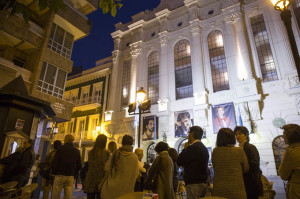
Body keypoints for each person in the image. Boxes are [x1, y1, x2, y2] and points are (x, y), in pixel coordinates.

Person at [212, 128, 249, 199]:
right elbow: (246, 169)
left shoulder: (215, 151)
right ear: (232, 138)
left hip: (219, 190)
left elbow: (215, 167)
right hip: (237, 189)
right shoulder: (239, 151)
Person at [177, 126, 209, 199]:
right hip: (202, 183)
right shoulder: (204, 148)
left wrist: (185, 149)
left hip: (194, 184)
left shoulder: (193, 148)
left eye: (189, 133)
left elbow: (179, 161)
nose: (188, 136)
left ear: (192, 134)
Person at [234, 126, 263, 199]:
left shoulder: (251, 147)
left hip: (251, 183)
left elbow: (255, 164)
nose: (237, 136)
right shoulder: (238, 149)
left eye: (240, 134)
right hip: (243, 183)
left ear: (246, 135)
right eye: (236, 134)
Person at [51, 135, 81, 199]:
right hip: (70, 175)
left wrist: (54, 172)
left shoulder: (60, 149)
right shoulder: (77, 151)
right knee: (68, 195)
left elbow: (55, 162)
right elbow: (79, 165)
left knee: (56, 194)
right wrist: (74, 173)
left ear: (65, 140)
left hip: (59, 174)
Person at [84, 134, 110, 199]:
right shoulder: (107, 153)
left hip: (91, 179)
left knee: (90, 197)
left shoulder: (91, 152)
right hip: (101, 180)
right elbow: (107, 167)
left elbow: (90, 164)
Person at [279, 124, 300, 199]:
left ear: (289, 136)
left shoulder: (291, 152)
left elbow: (283, 175)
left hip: (297, 191)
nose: (282, 136)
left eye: (284, 134)